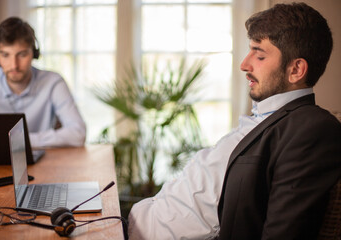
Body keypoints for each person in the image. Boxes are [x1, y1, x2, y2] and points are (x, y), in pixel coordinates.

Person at [127, 2, 341, 239]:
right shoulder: (264, 117)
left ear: (296, 70)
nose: (244, 64)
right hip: (133, 220)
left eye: (259, 55)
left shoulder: (313, 129)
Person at [0, 17, 86, 148]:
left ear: (34, 53)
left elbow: (78, 133)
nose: (14, 65)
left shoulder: (53, 83)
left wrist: (21, 141)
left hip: (44, 165)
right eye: (5, 55)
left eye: (22, 54)